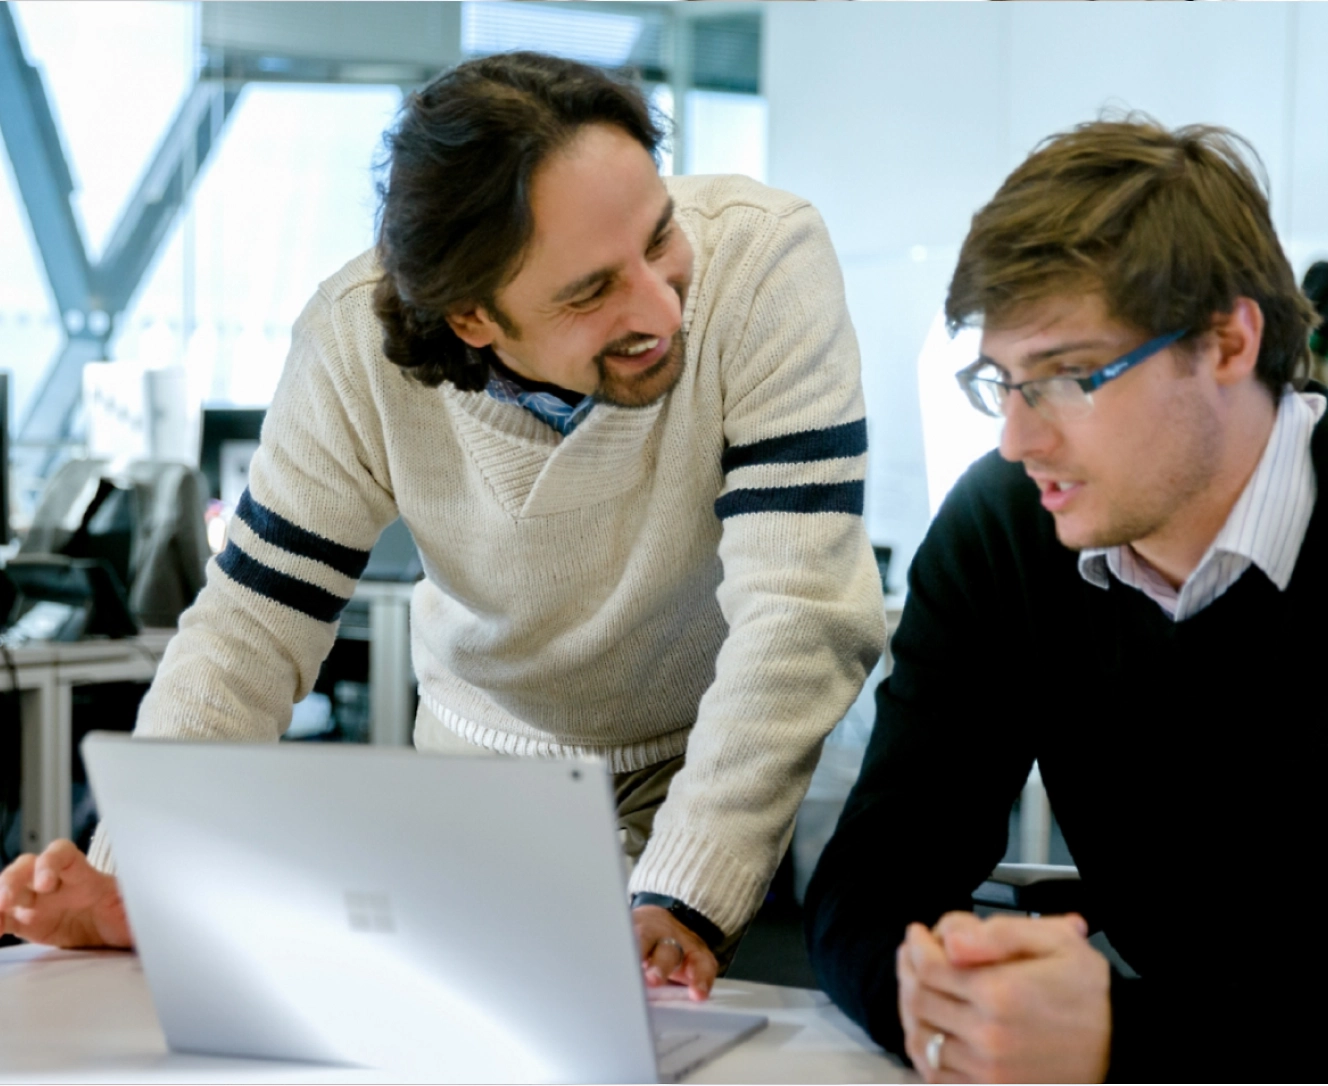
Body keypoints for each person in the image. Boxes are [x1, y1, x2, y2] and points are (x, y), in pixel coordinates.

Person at [0, 53, 885, 998]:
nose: (661, 306)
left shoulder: (762, 262)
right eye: (590, 292)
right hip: (483, 771)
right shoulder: (351, 341)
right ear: (472, 318)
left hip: (709, 751)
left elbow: (797, 611)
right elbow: (251, 626)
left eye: (660, 237)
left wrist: (684, 897)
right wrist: (141, 872)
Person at [804, 116, 1322, 1083]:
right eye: (1000, 381)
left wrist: (1119, 1040)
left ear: (1226, 342)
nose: (1015, 440)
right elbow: (871, 886)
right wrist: (929, 998)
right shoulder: (1007, 529)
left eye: (1069, 379)